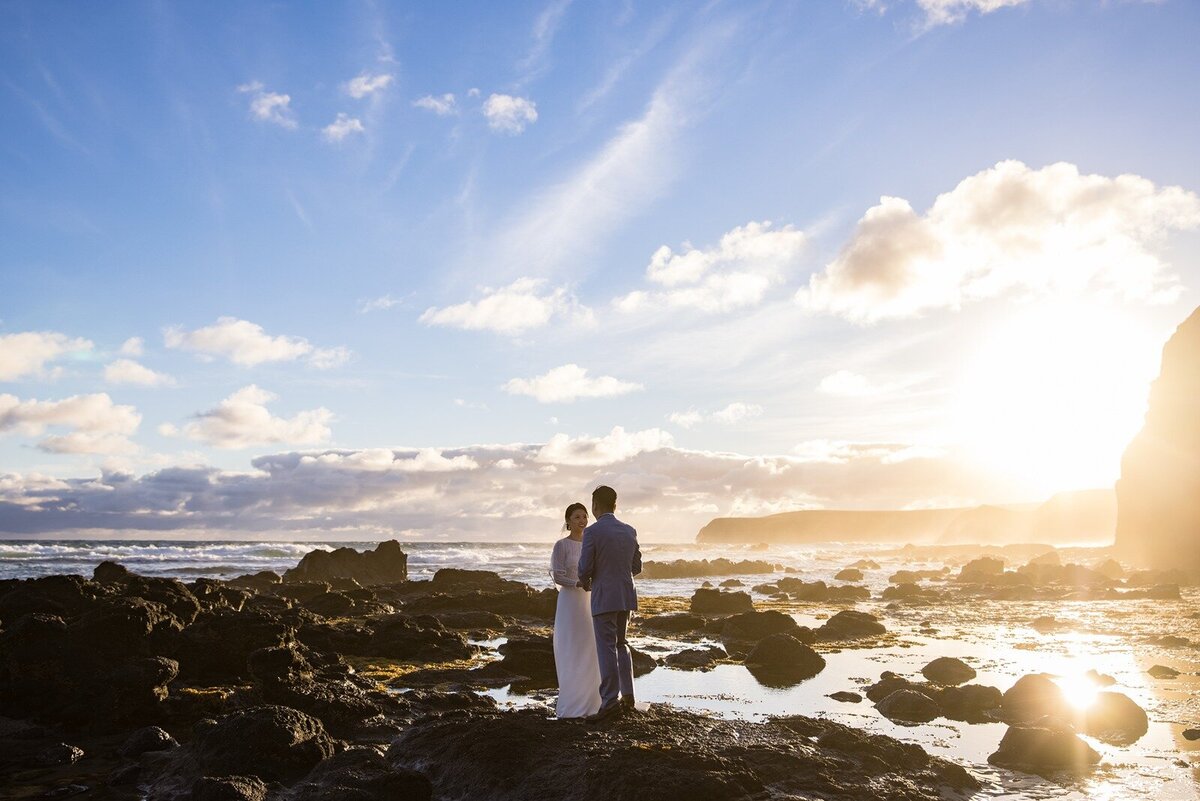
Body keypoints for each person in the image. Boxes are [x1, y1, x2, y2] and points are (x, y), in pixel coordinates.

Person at [577, 485, 642, 722]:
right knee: (621, 644)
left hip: (604, 594)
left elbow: (584, 568)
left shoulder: (593, 532)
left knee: (605, 646)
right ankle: (628, 696)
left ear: (595, 505)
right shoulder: (629, 530)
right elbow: (637, 567)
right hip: (626, 594)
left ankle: (609, 702)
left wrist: (585, 581)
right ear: (615, 504)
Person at [549, 502, 602, 719]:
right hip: (571, 600)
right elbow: (557, 575)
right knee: (572, 646)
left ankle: (594, 699)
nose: (582, 521)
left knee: (591, 645)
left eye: (585, 516)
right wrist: (578, 583)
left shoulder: (592, 543)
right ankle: (572, 699)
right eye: (577, 517)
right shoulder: (561, 546)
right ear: (568, 521)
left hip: (591, 599)